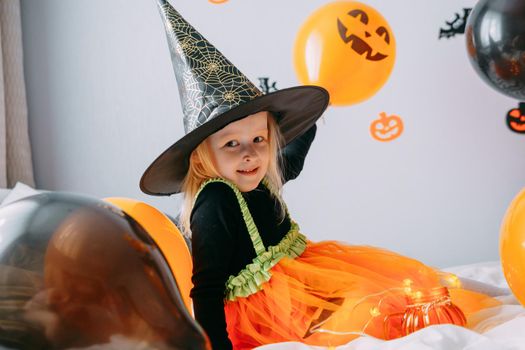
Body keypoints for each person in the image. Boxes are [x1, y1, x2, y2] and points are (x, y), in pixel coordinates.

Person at [141, 1, 502, 349]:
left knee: (399, 282)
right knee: (372, 308)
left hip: (305, 277)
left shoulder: (254, 175)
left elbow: (290, 162)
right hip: (270, 311)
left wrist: (312, 117)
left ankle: (477, 293)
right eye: (231, 145)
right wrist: (215, 346)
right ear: (204, 155)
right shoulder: (215, 201)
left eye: (258, 140)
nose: (250, 153)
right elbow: (206, 288)